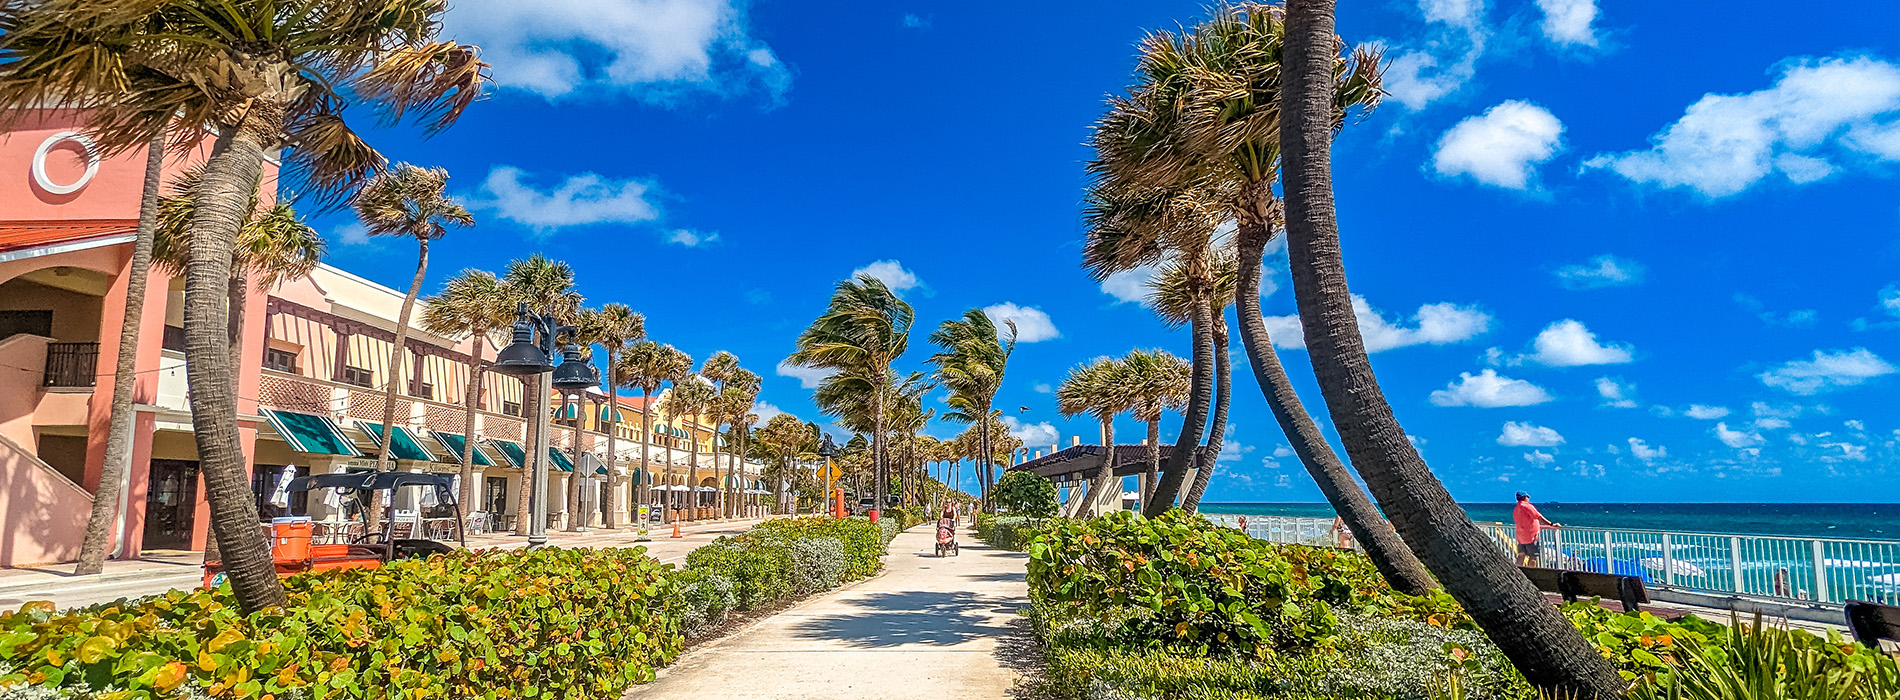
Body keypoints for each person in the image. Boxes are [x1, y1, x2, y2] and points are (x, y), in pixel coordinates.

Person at [1513, 492, 1559, 566]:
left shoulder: (1516, 509)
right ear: (1525, 497)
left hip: (1520, 536)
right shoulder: (1527, 506)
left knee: (1521, 555)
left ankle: (1518, 572)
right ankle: (1531, 574)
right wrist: (1551, 524)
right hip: (1531, 536)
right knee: (1533, 557)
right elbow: (1539, 517)